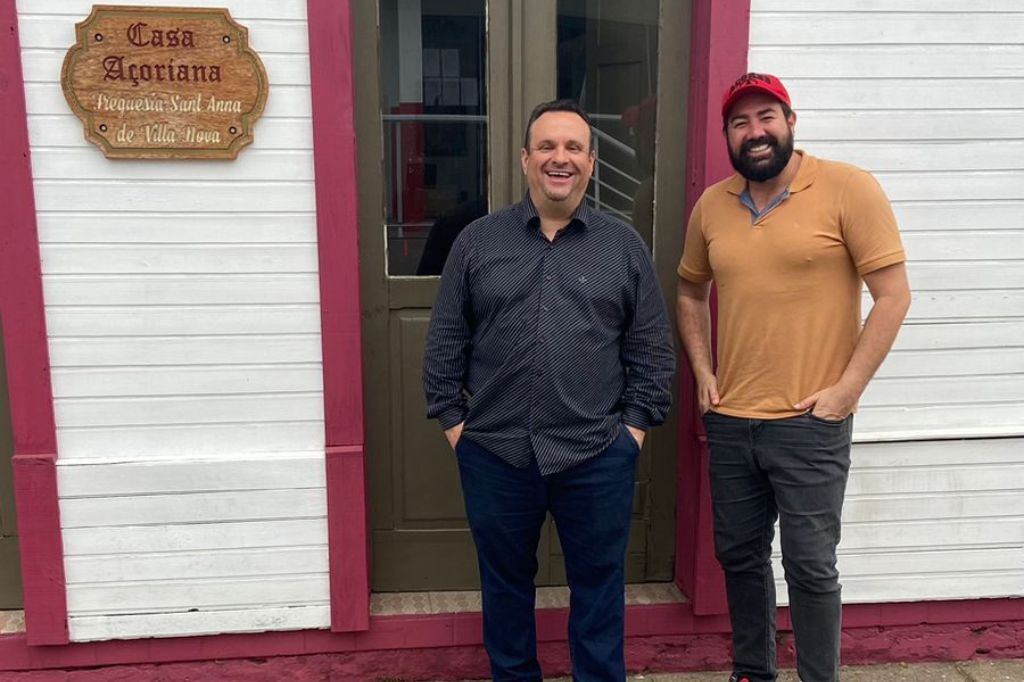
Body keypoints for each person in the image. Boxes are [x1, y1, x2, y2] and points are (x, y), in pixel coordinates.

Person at [423, 98, 675, 681]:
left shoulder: (622, 246)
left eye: (573, 148)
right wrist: (457, 428)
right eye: (547, 147)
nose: (559, 159)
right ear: (525, 158)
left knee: (598, 589)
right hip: (496, 453)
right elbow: (443, 344)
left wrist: (631, 433)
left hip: (595, 453)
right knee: (505, 589)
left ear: (591, 161)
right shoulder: (477, 243)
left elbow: (650, 349)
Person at [675, 73, 911, 682]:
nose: (754, 132)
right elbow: (689, 290)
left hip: (810, 423)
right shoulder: (712, 206)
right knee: (741, 558)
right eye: (739, 122)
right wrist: (703, 371)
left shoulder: (846, 188)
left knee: (810, 567)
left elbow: (892, 297)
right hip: (732, 420)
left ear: (789, 121)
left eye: (766, 117)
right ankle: (753, 670)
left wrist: (845, 392)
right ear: (727, 133)